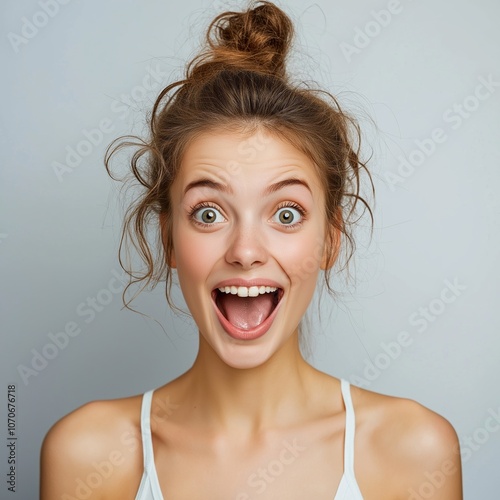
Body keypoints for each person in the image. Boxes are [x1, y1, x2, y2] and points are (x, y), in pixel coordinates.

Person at [40, 1, 463, 498]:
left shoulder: (411, 452)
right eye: (209, 213)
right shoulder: (88, 454)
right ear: (169, 239)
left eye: (286, 214)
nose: (245, 251)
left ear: (330, 239)